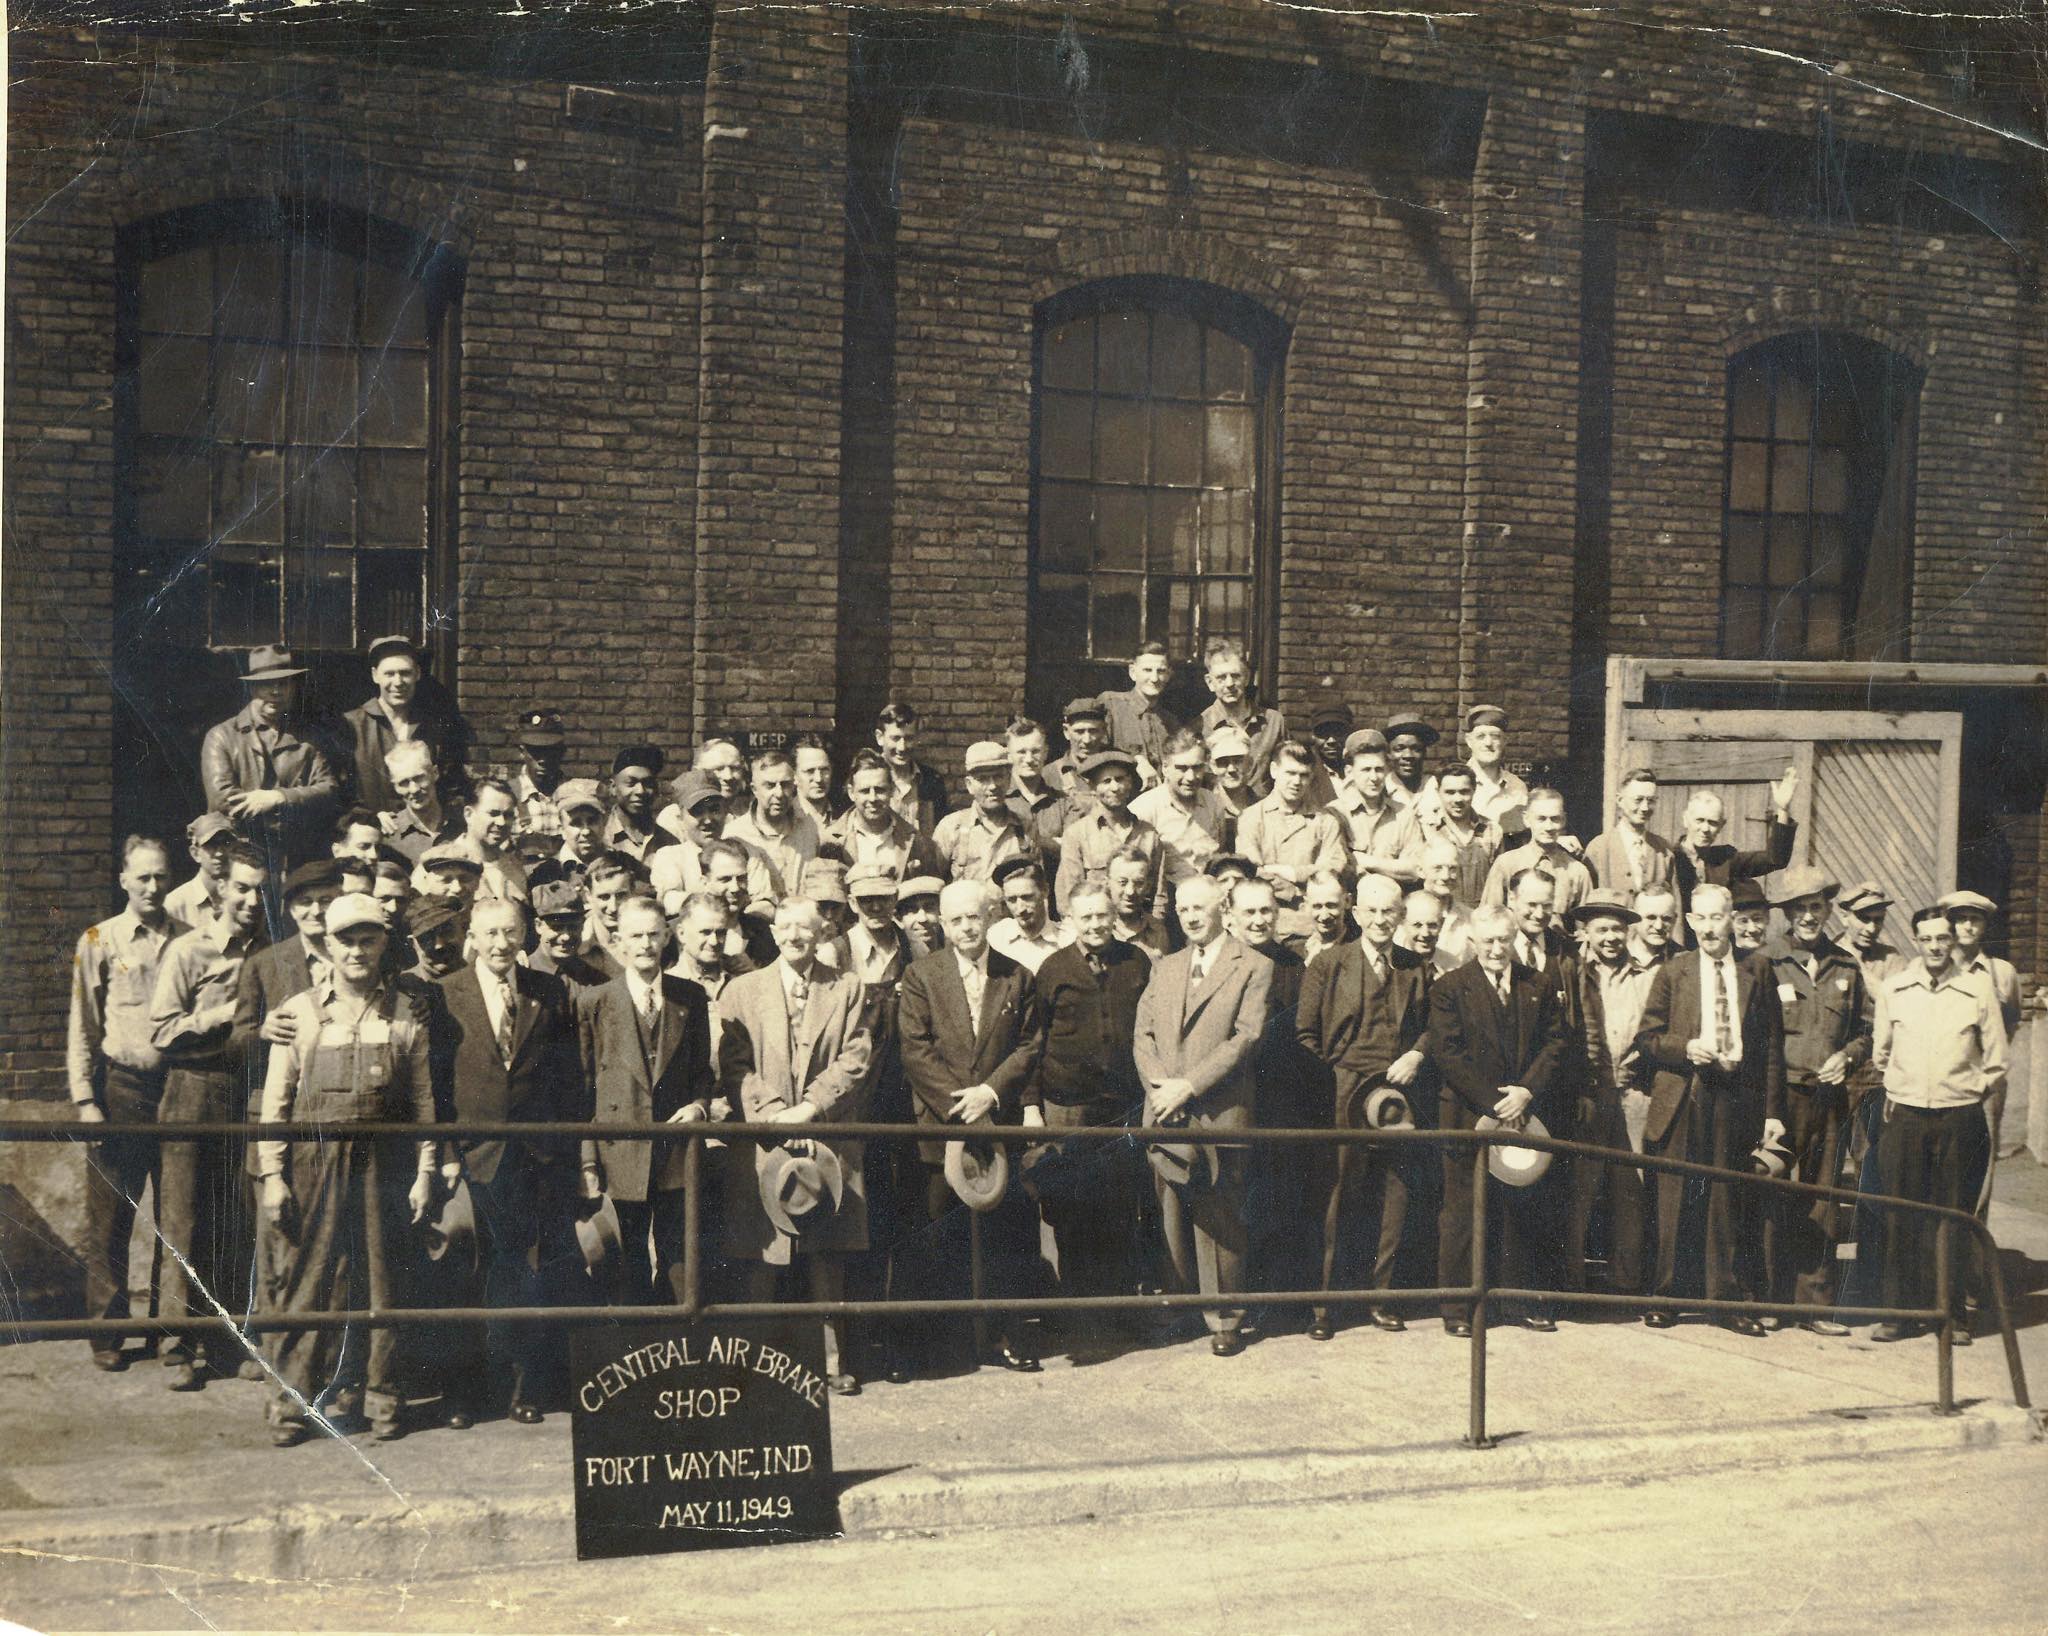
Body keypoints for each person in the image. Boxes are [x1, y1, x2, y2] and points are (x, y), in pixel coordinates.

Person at [255, 893, 437, 1445]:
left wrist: (426, 1171)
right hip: (315, 1164)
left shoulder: (407, 1011)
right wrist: (273, 1174)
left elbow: (426, 1103)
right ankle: (291, 1406)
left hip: (385, 1163)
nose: (357, 951)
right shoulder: (299, 1013)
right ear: (327, 945)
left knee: (382, 1286)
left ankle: (380, 1401)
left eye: (368, 939)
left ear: (385, 943)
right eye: (346, 940)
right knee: (310, 1283)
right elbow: (276, 1103)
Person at [429, 898, 583, 1427]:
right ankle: (463, 1394)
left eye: (510, 933)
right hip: (471, 1158)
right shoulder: (446, 994)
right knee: (467, 1276)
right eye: (490, 933)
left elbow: (566, 1080)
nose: (501, 944)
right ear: (472, 935)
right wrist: (448, 1153)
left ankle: (523, 1387)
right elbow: (435, 1086)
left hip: (533, 1159)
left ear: (525, 936)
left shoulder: (548, 990)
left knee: (525, 1274)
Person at [718, 898, 874, 1395]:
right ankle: (758, 1363)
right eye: (783, 927)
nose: (793, 935)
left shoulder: (848, 988)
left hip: (827, 1135)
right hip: (767, 1140)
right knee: (765, 1253)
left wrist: (810, 1108)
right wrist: (775, 1114)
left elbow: (856, 1058)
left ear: (822, 930)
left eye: (803, 927)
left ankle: (832, 1362)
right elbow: (734, 1065)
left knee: (826, 1252)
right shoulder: (742, 990)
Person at [895, 879, 1047, 1373]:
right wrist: (961, 1105)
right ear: (942, 921)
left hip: (996, 1122)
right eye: (956, 919)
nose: (966, 928)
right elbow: (915, 1050)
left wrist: (990, 1094)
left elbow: (1028, 1045)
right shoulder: (922, 976)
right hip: (942, 1126)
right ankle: (945, 1345)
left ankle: (1009, 1336)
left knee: (1006, 1233)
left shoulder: (1017, 976)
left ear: (990, 917)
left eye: (974, 918)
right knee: (941, 1232)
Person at [1633, 883, 1786, 1333]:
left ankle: (1726, 1301)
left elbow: (1772, 1046)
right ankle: (1665, 1297)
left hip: (1735, 1098)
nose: (1707, 928)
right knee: (1675, 1199)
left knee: (1726, 1200)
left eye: (1716, 918)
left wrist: (1773, 1113)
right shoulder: (1673, 971)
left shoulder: (1757, 970)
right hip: (1685, 1094)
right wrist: (1686, 1048)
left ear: (1732, 918)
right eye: (1698, 918)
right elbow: (1647, 1039)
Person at [147, 840, 270, 1391]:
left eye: (259, 890)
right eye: (241, 887)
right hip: (192, 1089)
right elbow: (161, 1030)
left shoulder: (266, 952)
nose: (249, 899)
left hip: (243, 1092)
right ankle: (178, 1346)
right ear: (220, 888)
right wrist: (226, 1013)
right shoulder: (187, 951)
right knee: (185, 1218)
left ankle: (227, 1339)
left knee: (236, 1219)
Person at [1134, 874, 1271, 1356]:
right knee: (1171, 1213)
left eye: (1201, 908)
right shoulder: (1165, 966)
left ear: (1223, 909)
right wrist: (1160, 1088)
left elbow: (1246, 1038)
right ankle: (1179, 1312)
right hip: (1167, 1112)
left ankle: (1224, 1318)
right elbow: (1144, 1033)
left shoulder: (1253, 966)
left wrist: (1188, 1086)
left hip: (1219, 1112)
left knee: (1219, 1220)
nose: (1191, 916)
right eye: (1184, 909)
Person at [67, 836, 188, 1371]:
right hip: (122, 1091)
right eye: (142, 877)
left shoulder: (190, 939)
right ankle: (107, 1335)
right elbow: (82, 1026)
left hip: (178, 1089)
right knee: (112, 1215)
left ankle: (172, 1331)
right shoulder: (98, 938)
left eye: (161, 876)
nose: (153, 887)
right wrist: (86, 1100)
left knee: (177, 1216)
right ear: (123, 880)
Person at [1295, 874, 1433, 1339]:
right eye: (1372, 911)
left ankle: (1381, 1299)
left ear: (1401, 916)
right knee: (1337, 1198)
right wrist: (1334, 1078)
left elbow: (1432, 1027)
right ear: (1356, 913)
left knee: (1395, 1195)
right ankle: (1324, 1307)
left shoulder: (1416, 967)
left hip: (1398, 1096)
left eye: (1389, 912)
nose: (1380, 920)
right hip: (1343, 1093)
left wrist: (1416, 1054)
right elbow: (1304, 1034)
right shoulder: (1328, 964)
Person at [1429, 904, 1572, 1334]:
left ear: (1514, 938)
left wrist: (1526, 1091)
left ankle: (1522, 1301)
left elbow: (1556, 1042)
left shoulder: (1539, 985)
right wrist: (1495, 1103)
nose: (1496, 948)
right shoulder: (1450, 988)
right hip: (1470, 1116)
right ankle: (1459, 1310)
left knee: (1524, 1207)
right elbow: (1447, 1053)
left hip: (1524, 1117)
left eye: (1503, 939)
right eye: (1487, 940)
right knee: (1464, 1211)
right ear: (1473, 941)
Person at [1868, 906, 2006, 1344]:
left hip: (1959, 1118)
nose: (1934, 946)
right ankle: (1900, 1314)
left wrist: (1965, 1089)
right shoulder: (1895, 990)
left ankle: (1952, 1317)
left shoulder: (1977, 989)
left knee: (1953, 1215)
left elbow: (1998, 1060)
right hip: (1906, 1116)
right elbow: (1881, 1051)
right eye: (1925, 938)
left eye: (1942, 938)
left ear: (1952, 940)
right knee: (1901, 1214)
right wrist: (1904, 1083)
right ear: (1915, 940)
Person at [229, 857, 347, 1341]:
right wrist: (261, 1031)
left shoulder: (361, 955)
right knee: (280, 1241)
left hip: (340, 1118)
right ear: (291, 911)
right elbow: (235, 1041)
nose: (317, 912)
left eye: (326, 901)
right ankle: (277, 1351)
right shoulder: (265, 963)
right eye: (305, 904)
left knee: (337, 1251)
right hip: (281, 1118)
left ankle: (330, 1359)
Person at [578, 896, 717, 1305]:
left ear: (668, 936)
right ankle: (635, 1350)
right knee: (626, 1258)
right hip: (619, 1152)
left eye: (654, 935)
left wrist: (699, 1106)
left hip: (675, 1151)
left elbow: (702, 1074)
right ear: (618, 941)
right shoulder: (594, 1003)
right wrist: (588, 1161)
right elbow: (583, 1090)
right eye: (635, 936)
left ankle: (680, 1347)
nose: (645, 944)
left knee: (679, 1258)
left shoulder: (689, 998)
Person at [1029, 881, 1149, 1335]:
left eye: (1103, 915)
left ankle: (1120, 1310)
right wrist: (1032, 1105)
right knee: (1071, 1207)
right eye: (1087, 917)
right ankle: (1079, 1313)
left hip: (1121, 1105)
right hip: (1068, 1104)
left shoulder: (1136, 962)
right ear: (1071, 920)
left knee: (1120, 1205)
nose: (1096, 925)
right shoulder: (1053, 968)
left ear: (1114, 913)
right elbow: (1034, 1042)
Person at [1758, 867, 1868, 1334]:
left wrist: (1847, 1056)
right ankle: (1765, 1300)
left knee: (1822, 1200)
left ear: (1827, 910)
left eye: (1816, 907)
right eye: (1799, 908)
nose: (1808, 916)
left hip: (1828, 1101)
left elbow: (1865, 1031)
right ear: (1786, 913)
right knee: (1770, 1193)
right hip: (1779, 1101)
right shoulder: (1766, 961)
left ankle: (1814, 1305)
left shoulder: (1846, 965)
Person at [840, 863, 921, 1384]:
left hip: (903, 1098)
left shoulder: (914, 950)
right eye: (866, 899)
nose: (876, 908)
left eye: (883, 898)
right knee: (852, 1221)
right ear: (852, 902)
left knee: (900, 1220)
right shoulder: (837, 951)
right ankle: (852, 1345)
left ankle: (897, 1340)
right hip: (853, 1101)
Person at [1565, 889, 1656, 1297]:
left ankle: (1626, 1285)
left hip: (1634, 1094)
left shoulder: (1646, 974)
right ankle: (1570, 1284)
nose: (1610, 938)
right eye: (1602, 929)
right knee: (1580, 1190)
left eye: (1618, 929)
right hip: (1590, 1094)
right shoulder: (1572, 972)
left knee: (1630, 1190)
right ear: (1586, 932)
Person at [199, 646, 339, 864]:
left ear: (293, 688)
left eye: (283, 683)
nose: (276, 691)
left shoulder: (309, 738)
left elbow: (328, 790)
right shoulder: (222, 736)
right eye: (266, 684)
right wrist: (295, 810)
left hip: (297, 855)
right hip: (239, 855)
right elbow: (224, 800)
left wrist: (277, 798)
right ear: (252, 688)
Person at [342, 634, 467, 818]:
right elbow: (341, 792)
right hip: (370, 836)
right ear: (375, 675)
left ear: (417, 674)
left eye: (405, 673)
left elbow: (453, 787)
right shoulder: (351, 725)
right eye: (389, 674)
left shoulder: (435, 726)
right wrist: (369, 817)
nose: (398, 682)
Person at [1237, 740, 1348, 942]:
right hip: (1267, 923)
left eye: (1304, 775)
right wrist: (1297, 890)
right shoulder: (1251, 818)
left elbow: (1331, 868)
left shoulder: (1326, 821)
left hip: (1313, 924)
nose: (1297, 782)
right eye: (1290, 773)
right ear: (1273, 770)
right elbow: (1253, 871)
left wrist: (1293, 872)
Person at [1669, 771, 1799, 924]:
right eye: (1699, 820)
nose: (1705, 828)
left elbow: (1775, 859)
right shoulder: (1668, 856)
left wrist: (1783, 809)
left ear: (1721, 825)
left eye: (1712, 823)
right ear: (1686, 820)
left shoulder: (1726, 858)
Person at [1055, 748, 1171, 919]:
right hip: (1096, 930)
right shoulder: (1076, 834)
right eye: (1106, 781)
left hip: (1140, 930)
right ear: (1093, 787)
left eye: (1120, 779)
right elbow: (1068, 898)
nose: (1115, 787)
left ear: (1130, 783)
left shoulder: (1148, 834)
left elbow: (1159, 897)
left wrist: (1155, 932)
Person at [823, 750, 947, 884]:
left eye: (880, 790)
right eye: (864, 791)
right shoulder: (831, 841)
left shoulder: (916, 842)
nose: (872, 798)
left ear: (892, 790)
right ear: (851, 793)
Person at [932, 741, 1041, 884]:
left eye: (998, 776)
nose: (992, 786)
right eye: (983, 779)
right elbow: (933, 885)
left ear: (1008, 780)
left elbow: (1036, 887)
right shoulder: (951, 827)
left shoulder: (1025, 828)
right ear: (969, 785)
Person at [1130, 727, 1230, 881]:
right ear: (1165, 768)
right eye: (1182, 768)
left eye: (1197, 768)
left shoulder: (1214, 803)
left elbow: (1221, 850)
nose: (1190, 777)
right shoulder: (1143, 809)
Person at [1394, 765, 1497, 910]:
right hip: (1437, 913)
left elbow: (1498, 882)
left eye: (1464, 792)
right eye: (1450, 792)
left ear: (1474, 790)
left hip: (1481, 917)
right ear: (1438, 792)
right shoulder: (1425, 827)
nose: (1458, 799)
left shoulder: (1491, 829)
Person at [726, 747, 821, 903]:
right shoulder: (735, 834)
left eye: (785, 785)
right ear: (754, 789)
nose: (779, 794)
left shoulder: (809, 827)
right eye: (770, 786)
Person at [1480, 789, 1592, 916]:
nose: (1548, 827)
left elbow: (1584, 929)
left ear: (1564, 820)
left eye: (1555, 819)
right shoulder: (1506, 864)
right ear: (1526, 819)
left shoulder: (1577, 872)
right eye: (1541, 819)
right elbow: (1488, 917)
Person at [1197, 638, 1285, 795]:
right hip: (1218, 814)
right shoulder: (1200, 727)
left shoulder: (1273, 723)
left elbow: (1288, 771)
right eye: (1221, 678)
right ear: (1210, 682)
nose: (1229, 683)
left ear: (1247, 677)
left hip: (1263, 814)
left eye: (1236, 676)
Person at [1328, 729, 1409, 877]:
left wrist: (1366, 862)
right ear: (1349, 772)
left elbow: (1416, 869)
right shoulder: (1334, 813)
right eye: (1366, 770)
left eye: (1379, 769)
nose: (1374, 777)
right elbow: (1336, 868)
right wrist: (1394, 868)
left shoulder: (1403, 813)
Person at [1583, 769, 1675, 897]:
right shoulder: (1599, 848)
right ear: (1620, 800)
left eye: (1651, 800)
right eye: (1638, 800)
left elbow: (1674, 906)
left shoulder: (1664, 851)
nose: (1645, 808)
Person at [1004, 716, 1074, 880]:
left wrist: (1035, 840)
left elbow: (1073, 849)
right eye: (1021, 752)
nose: (1029, 759)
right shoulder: (1000, 801)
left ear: (1046, 753)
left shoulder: (1064, 803)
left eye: (1035, 751)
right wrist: (1054, 843)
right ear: (1008, 755)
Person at [1100, 640, 1177, 780]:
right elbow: (1095, 752)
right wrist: (1137, 761)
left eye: (1161, 671)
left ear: (1169, 675)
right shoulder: (1112, 705)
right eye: (1147, 670)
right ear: (1133, 672)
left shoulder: (1170, 722)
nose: (1154, 678)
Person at [379, 740, 463, 864]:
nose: (414, 789)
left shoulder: (464, 823)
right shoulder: (389, 834)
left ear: (435, 773)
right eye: (404, 783)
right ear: (395, 787)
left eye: (419, 778)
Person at [874, 703, 952, 836]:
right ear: (880, 738)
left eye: (909, 738)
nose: (902, 747)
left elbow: (939, 832)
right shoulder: (866, 778)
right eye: (895, 738)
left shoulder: (931, 780)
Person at [987, 855, 1073, 974]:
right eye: (1012, 900)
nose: (1021, 908)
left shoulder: (1068, 939)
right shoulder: (996, 938)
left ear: (1045, 891)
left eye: (1027, 897)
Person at [1456, 705, 1528, 838]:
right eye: (1481, 736)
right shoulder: (1450, 782)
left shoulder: (1517, 787)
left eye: (1495, 736)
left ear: (1505, 741)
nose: (1488, 743)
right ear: (1469, 741)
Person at [454, 776, 528, 904]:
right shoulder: (442, 864)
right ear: (469, 814)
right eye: (493, 814)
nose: (501, 822)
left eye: (508, 815)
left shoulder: (515, 866)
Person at [604, 746, 682, 864]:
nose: (640, 791)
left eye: (648, 783)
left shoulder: (669, 842)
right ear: (613, 787)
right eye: (631, 783)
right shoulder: (600, 837)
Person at [529, 878, 609, 988]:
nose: (566, 936)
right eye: (557, 927)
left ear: (582, 925)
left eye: (573, 927)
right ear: (538, 926)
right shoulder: (520, 975)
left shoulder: (596, 980)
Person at [166, 812, 238, 927]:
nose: (219, 853)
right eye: (211, 844)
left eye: (226, 843)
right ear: (195, 853)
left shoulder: (244, 897)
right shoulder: (174, 905)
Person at [508, 708, 568, 838]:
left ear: (562, 752)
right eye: (536, 751)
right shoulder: (508, 795)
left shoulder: (575, 795)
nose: (543, 759)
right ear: (521, 751)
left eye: (550, 751)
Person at [1105, 846, 1173, 962]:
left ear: (1148, 886)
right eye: (1122, 882)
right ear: (1108, 883)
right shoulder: (1095, 928)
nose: (1130, 891)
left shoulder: (1157, 932)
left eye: (1139, 883)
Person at [1380, 711, 1439, 812]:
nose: (1408, 756)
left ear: (1425, 752)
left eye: (1416, 749)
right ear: (1388, 753)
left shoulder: (1436, 787)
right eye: (1399, 749)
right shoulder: (1380, 790)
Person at [1298, 870, 1358, 966]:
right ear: (1306, 905)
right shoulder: (1294, 951)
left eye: (1331, 905)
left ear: (1347, 901)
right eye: (1317, 906)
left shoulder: (1358, 951)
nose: (1324, 916)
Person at [1302, 704, 1351, 812]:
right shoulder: (1305, 775)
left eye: (1338, 732)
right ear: (1313, 736)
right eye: (1323, 733)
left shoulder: (1359, 770)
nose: (1331, 740)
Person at [1207, 725, 1260, 825]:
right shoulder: (1204, 808)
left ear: (1250, 764)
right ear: (1213, 766)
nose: (1231, 769)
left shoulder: (1263, 807)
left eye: (1237, 761)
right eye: (1223, 762)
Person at [792, 734, 845, 832]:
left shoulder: (845, 816)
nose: (818, 779)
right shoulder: (784, 817)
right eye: (810, 771)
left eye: (824, 770)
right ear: (794, 776)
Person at [1631, 886, 1681, 969]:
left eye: (1666, 919)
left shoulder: (1684, 959)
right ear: (1634, 918)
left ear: (1675, 919)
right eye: (1651, 917)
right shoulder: (1617, 953)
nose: (1659, 926)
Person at [896, 875, 947, 958]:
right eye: (912, 910)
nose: (923, 918)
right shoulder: (897, 959)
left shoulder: (955, 950)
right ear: (899, 919)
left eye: (929, 908)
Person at [1730, 878, 1771, 954]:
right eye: (1743, 921)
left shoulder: (1778, 958)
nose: (1752, 929)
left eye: (1757, 919)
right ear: (1730, 923)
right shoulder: (1724, 961)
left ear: (1767, 917)